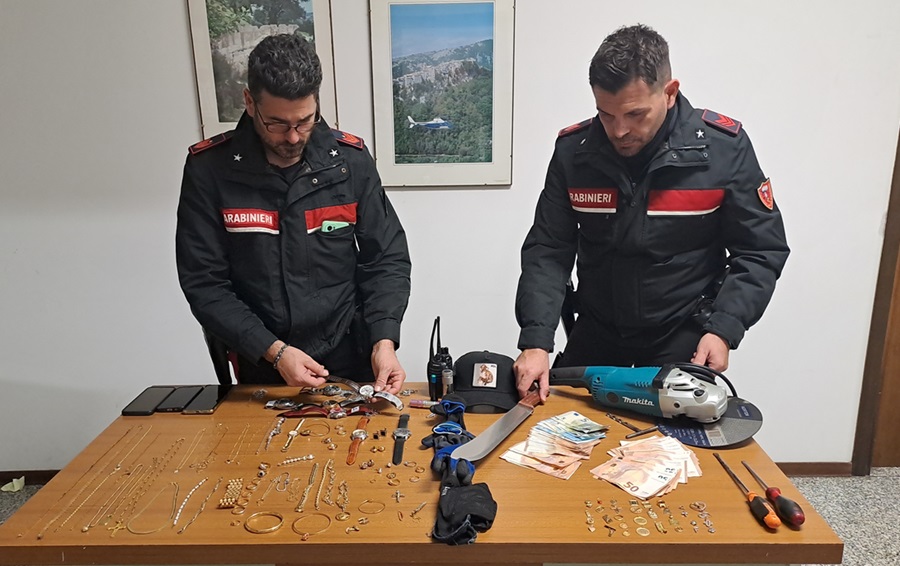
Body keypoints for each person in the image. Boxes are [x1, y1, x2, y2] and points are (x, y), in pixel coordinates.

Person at [513, 24, 789, 401]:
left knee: (676, 437)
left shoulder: (723, 151)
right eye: (606, 115)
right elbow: (549, 249)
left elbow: (760, 250)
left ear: (669, 93)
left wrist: (723, 329)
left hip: (682, 337)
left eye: (635, 114)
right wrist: (536, 340)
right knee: (557, 428)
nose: (619, 130)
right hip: (596, 332)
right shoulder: (574, 153)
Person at [176, 34, 411, 393]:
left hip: (352, 352)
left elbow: (386, 258)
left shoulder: (350, 162)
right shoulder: (210, 170)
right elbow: (204, 282)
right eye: (277, 124)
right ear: (249, 102)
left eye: (304, 121)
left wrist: (384, 341)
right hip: (261, 357)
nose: (293, 137)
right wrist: (275, 352)